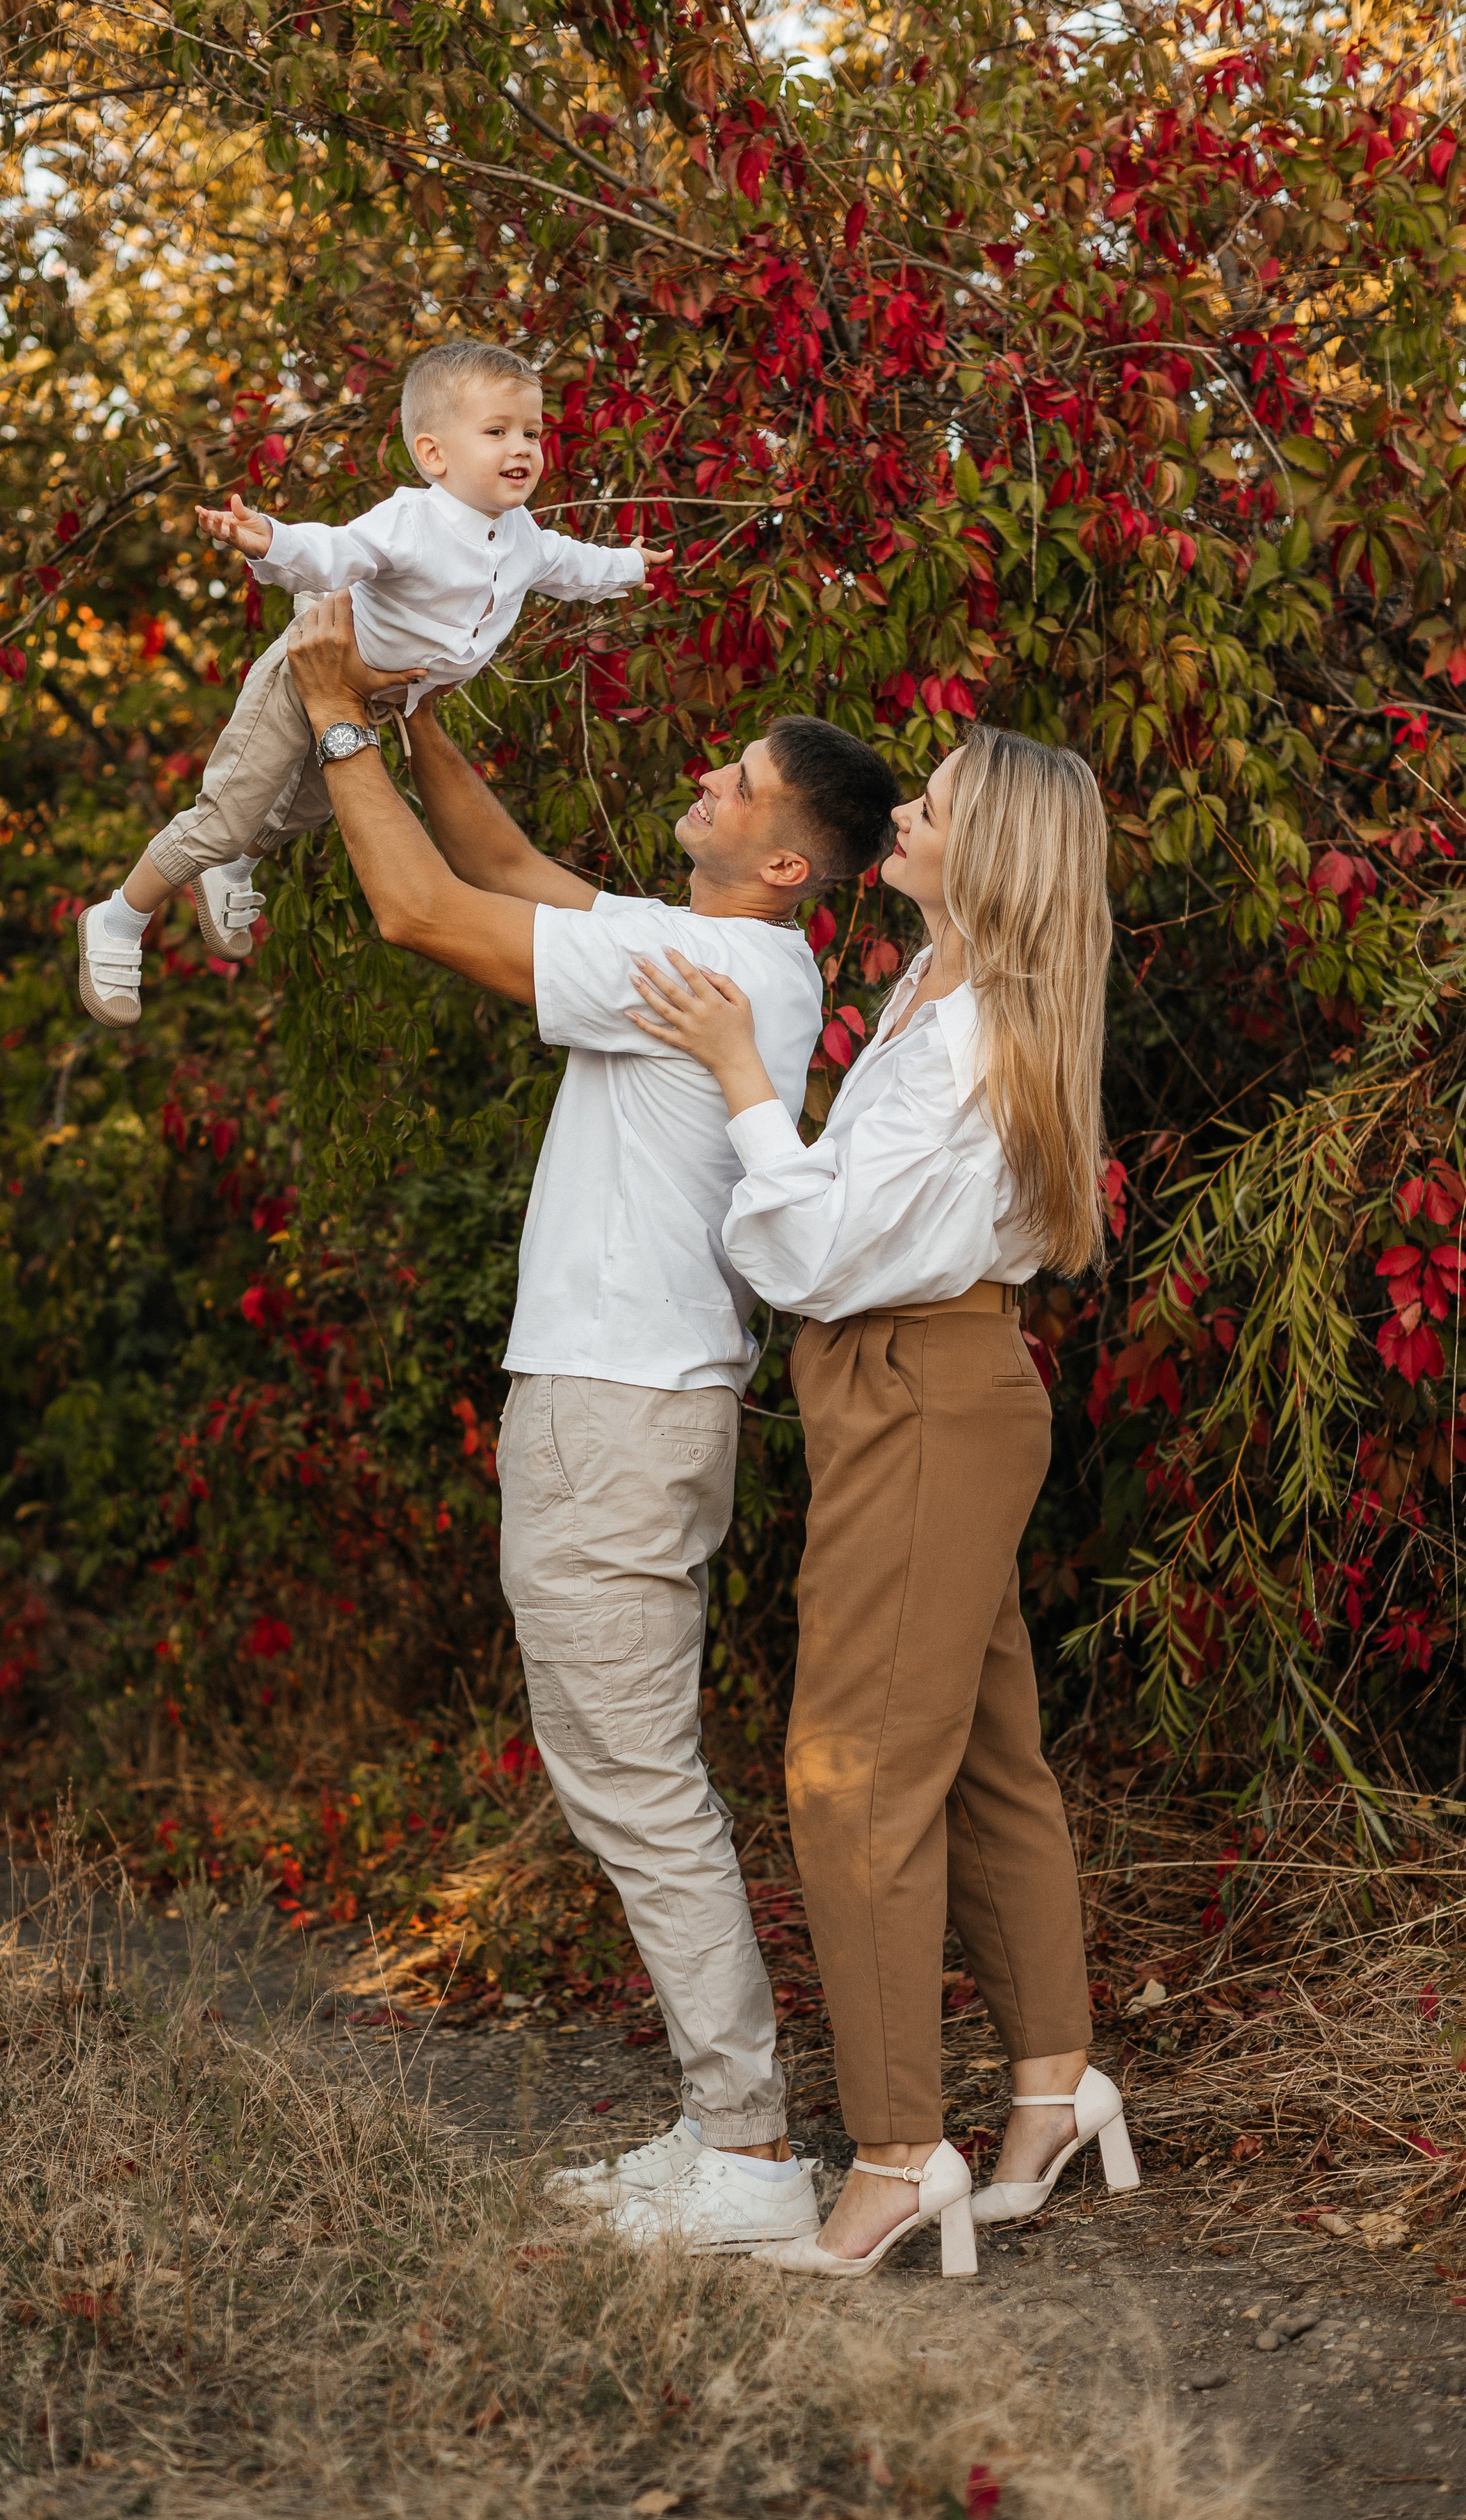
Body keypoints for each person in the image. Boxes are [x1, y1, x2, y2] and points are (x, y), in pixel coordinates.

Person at [284, 587, 897, 2251]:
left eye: (742, 778)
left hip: (621, 1412)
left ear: (785, 860)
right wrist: (416, 717)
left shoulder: (719, 960)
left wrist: (335, 713)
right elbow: (504, 871)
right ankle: (721, 2127)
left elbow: (418, 912)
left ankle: (749, 2151)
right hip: (616, 1402)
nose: (709, 770)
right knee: (623, 1767)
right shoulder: (713, 951)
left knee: (631, 1778)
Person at [625, 723, 1139, 2280]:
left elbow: (812, 1255)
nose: (899, 815)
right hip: (920, 1388)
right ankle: (1054, 2085)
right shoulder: (936, 996)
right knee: (984, 1761)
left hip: (920, 1389)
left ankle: (894, 2155)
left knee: (847, 1776)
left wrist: (733, 1083)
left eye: (930, 805)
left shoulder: (972, 1029)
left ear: (988, 853)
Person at [74, 338, 667, 1027]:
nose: (524, 447)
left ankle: (230, 871)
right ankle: (118, 918)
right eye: (498, 431)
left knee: (308, 808)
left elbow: (573, 564)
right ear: (434, 454)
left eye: (532, 433)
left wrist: (629, 565)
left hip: (374, 700)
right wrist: (270, 538)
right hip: (311, 670)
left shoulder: (524, 535)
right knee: (227, 817)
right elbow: (335, 551)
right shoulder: (411, 520)